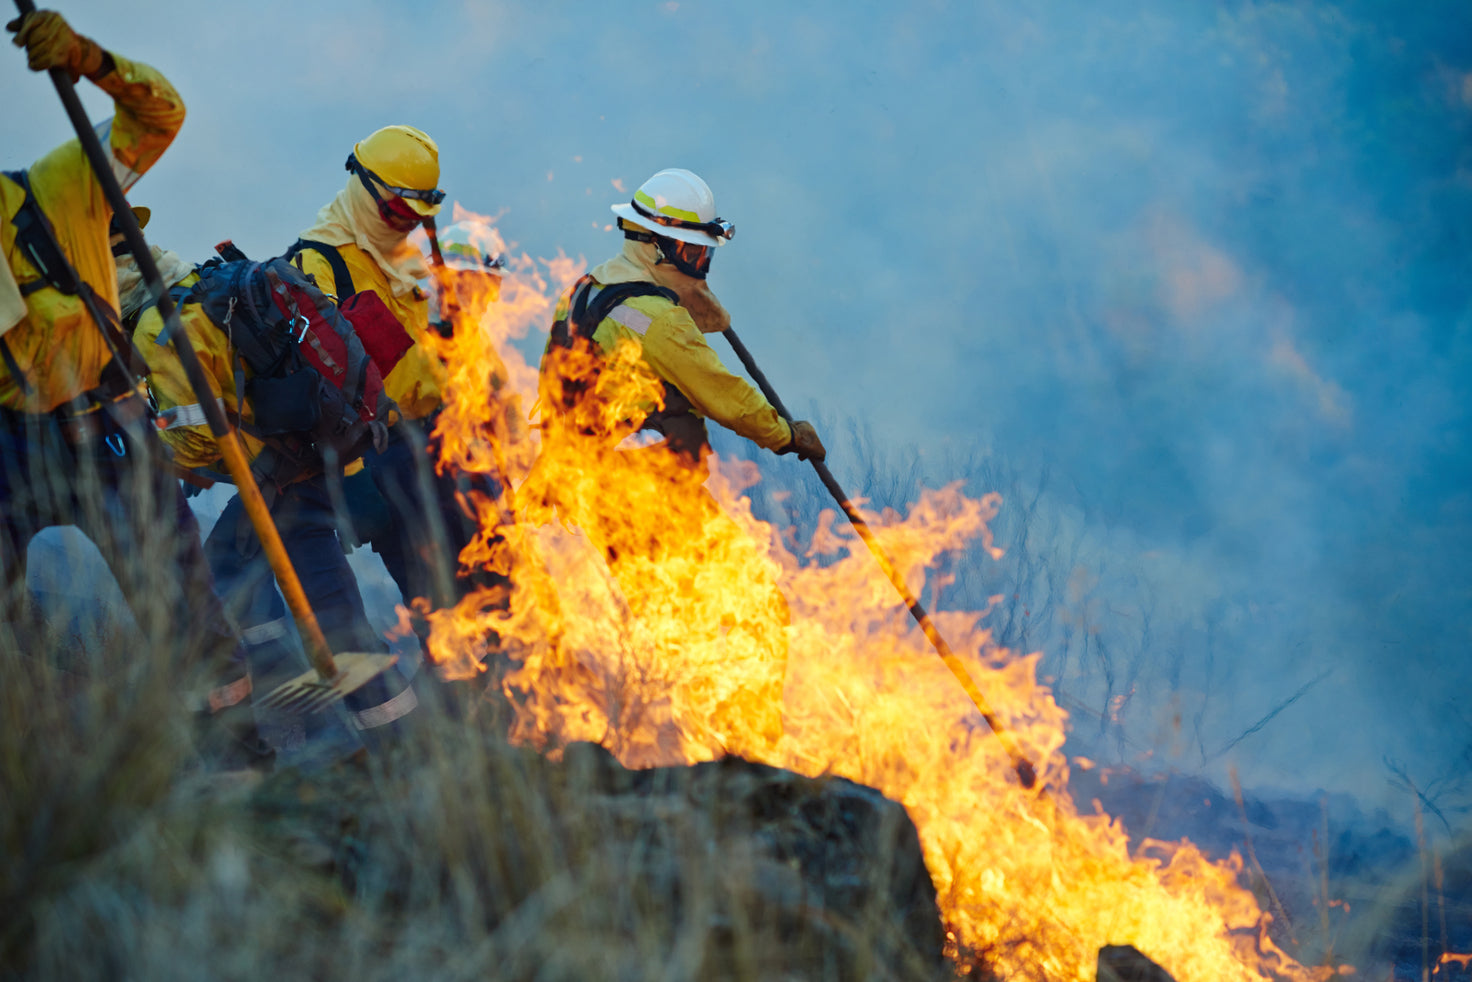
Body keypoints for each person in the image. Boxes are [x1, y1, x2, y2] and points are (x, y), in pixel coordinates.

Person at [0, 9, 262, 766]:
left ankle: (231, 760)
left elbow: (159, 112)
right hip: (12, 443)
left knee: (179, 603)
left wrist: (87, 58)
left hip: (103, 427)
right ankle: (83, 725)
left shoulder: (60, 191)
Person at [534, 167, 826, 758]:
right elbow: (718, 389)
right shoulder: (652, 316)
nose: (700, 260)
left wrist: (696, 301)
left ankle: (696, 744)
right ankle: (736, 751)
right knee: (745, 611)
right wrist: (786, 433)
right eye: (691, 249)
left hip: (604, 485)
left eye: (705, 249)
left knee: (683, 622)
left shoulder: (594, 289)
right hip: (642, 494)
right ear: (656, 242)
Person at [127, 245, 424, 755]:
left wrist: (162, 448)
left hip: (279, 474)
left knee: (239, 579)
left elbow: (196, 435)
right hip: (309, 455)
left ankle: (300, 715)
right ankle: (391, 732)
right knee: (316, 593)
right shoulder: (212, 290)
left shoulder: (156, 327)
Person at [284, 127, 511, 675]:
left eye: (419, 213)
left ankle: (511, 718)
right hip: (383, 455)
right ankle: (455, 722)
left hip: (441, 442)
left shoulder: (408, 257)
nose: (409, 223)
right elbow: (327, 385)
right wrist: (357, 475)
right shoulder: (317, 265)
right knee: (438, 602)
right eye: (398, 211)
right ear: (366, 188)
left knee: (499, 592)